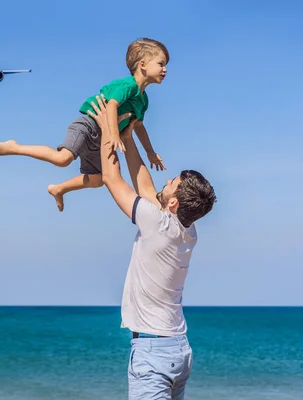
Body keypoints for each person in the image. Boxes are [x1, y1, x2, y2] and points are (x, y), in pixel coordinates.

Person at [86, 95, 217, 399]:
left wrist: (108, 126)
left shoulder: (156, 223)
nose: (166, 179)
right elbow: (146, 188)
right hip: (178, 349)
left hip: (153, 351)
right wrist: (128, 137)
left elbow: (111, 178)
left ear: (173, 203)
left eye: (172, 181)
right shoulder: (187, 229)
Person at [0, 37, 169, 212]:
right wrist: (114, 135)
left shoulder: (143, 100)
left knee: (98, 180)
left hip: (102, 139)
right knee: (63, 159)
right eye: (161, 64)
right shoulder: (128, 85)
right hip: (88, 125)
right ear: (143, 65)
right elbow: (112, 105)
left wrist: (150, 152)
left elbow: (138, 126)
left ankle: (59, 189)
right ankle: (15, 147)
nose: (165, 69)